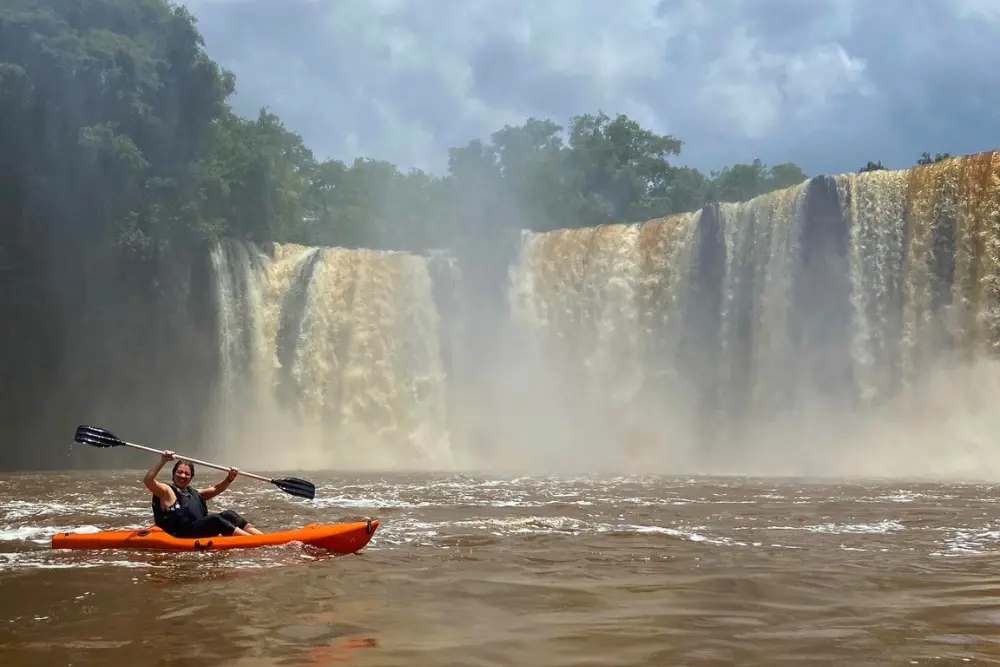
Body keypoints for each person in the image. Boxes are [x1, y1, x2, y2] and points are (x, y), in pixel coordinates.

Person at [144, 449, 263, 538]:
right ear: (174, 474)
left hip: (196, 531)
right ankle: (252, 541)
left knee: (229, 514)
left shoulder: (194, 493)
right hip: (179, 535)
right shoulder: (166, 491)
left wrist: (229, 478)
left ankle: (261, 537)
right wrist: (163, 460)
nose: (182, 476)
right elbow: (148, 481)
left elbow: (216, 489)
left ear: (191, 478)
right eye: (179, 472)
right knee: (214, 519)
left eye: (187, 474)